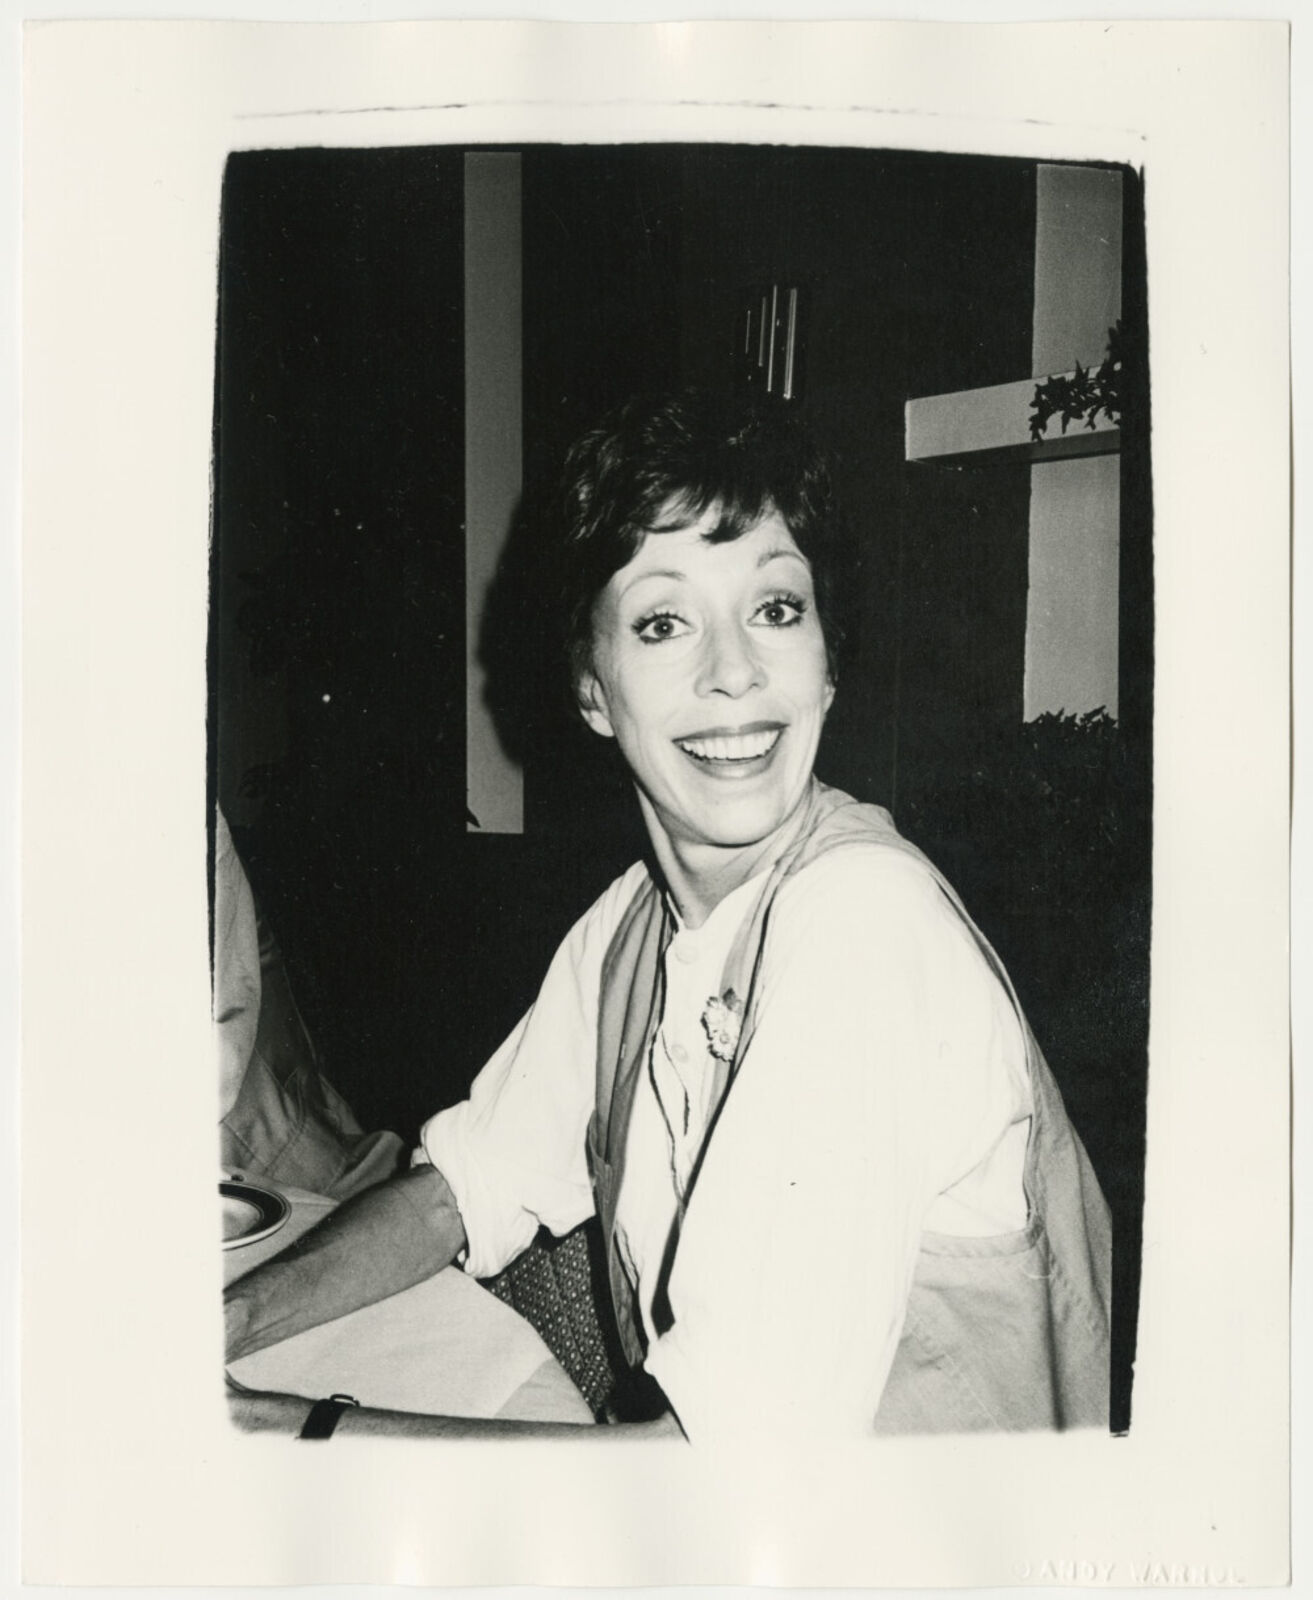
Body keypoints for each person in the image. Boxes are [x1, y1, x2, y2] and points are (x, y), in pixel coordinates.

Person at [225, 389, 1111, 1441]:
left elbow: (706, 1483)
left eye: (776, 608)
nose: (734, 672)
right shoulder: (631, 928)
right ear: (592, 690)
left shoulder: (863, 924)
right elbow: (454, 1194)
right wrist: (212, 1330)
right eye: (662, 621)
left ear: (828, 663)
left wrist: (274, 1427)